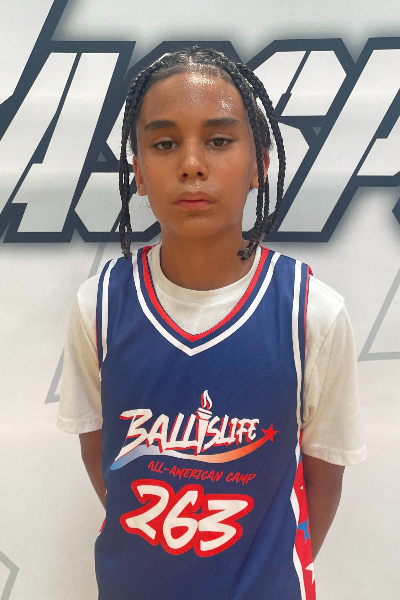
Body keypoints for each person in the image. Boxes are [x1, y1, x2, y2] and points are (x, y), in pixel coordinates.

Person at [58, 46, 366, 600]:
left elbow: (324, 480)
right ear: (139, 173)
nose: (192, 164)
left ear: (259, 165)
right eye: (165, 144)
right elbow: (99, 453)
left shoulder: (311, 313)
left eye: (219, 140)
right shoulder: (98, 305)